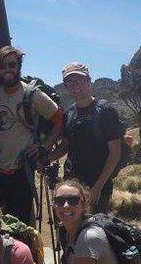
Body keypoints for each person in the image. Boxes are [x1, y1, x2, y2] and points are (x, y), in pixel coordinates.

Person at [0, 46, 63, 225]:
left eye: (12, 65)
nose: (7, 70)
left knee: (23, 221)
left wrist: (44, 146)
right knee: (5, 218)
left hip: (23, 168)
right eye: (2, 66)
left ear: (19, 66)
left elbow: (59, 119)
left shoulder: (32, 95)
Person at [51, 62, 126, 213]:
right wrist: (47, 157)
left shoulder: (105, 111)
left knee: (95, 226)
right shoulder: (69, 113)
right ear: (66, 86)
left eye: (79, 79)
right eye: (70, 81)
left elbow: (115, 153)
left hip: (97, 186)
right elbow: (66, 145)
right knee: (69, 225)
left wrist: (97, 188)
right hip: (71, 186)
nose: (75, 85)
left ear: (88, 81)